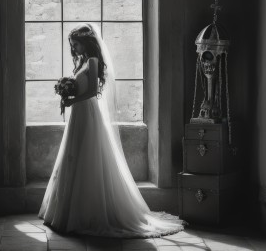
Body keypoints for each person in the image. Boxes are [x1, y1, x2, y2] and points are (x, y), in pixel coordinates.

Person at [38, 23, 185, 238]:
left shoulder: (93, 61)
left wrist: (72, 100)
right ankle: (67, 211)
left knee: (88, 156)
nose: (74, 48)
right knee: (73, 156)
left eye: (76, 44)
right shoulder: (81, 62)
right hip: (78, 113)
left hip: (87, 112)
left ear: (86, 42)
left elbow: (92, 92)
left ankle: (87, 214)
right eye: (72, 45)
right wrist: (67, 93)